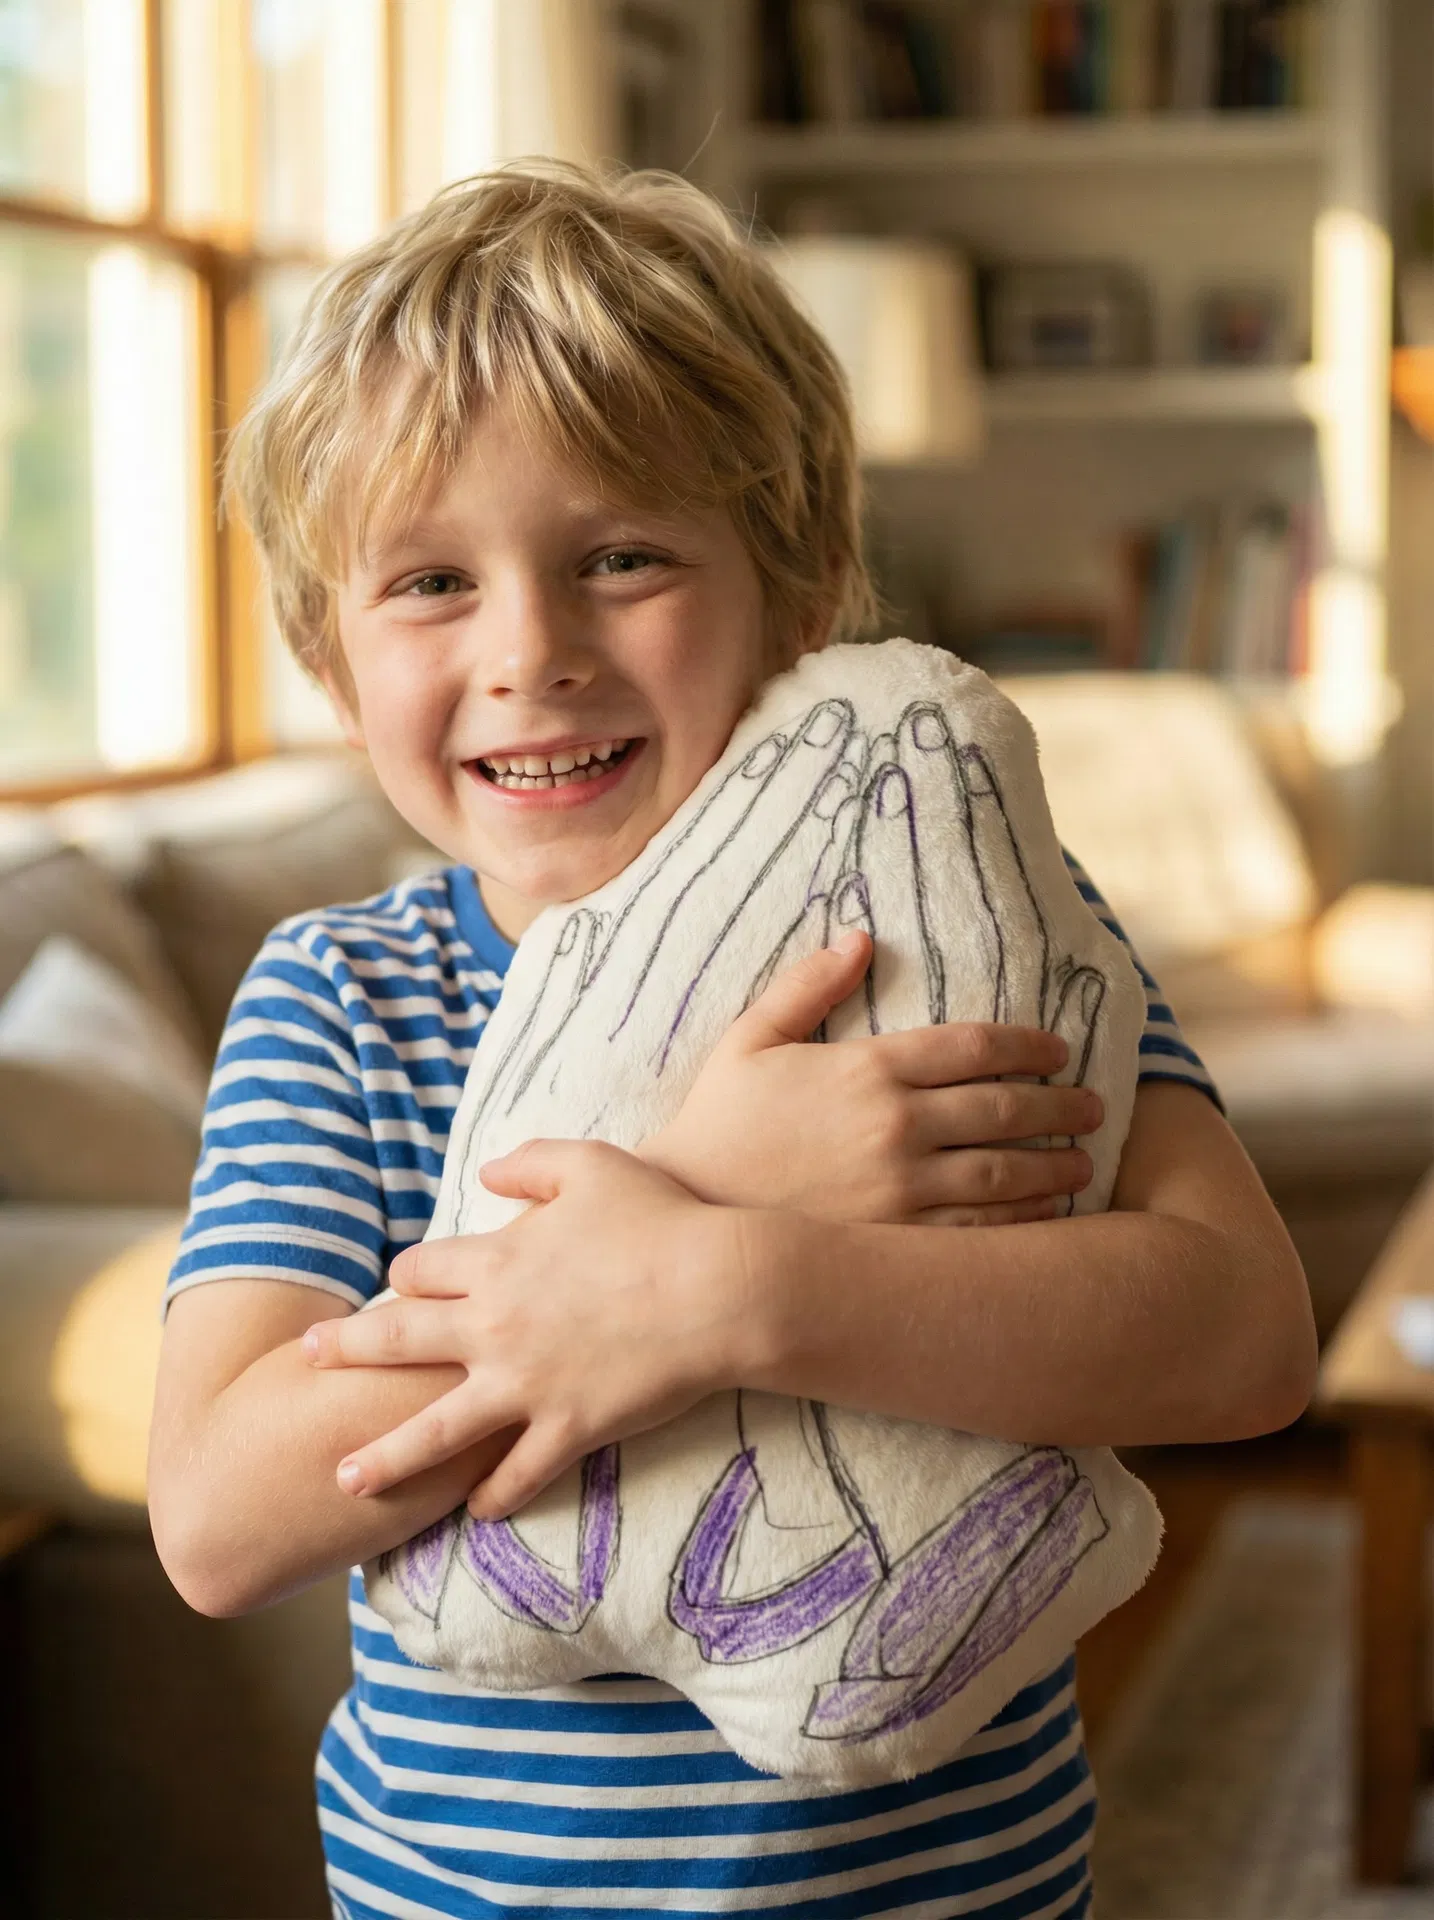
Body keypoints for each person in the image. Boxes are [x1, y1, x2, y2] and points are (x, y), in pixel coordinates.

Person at [147, 161, 1316, 1920]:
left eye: (620, 557)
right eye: (431, 582)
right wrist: (681, 1201)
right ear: (332, 661)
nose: (530, 652)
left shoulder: (971, 911)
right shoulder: (345, 1003)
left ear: (798, 592)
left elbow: (1242, 1341)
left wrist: (745, 1287)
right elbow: (219, 1523)